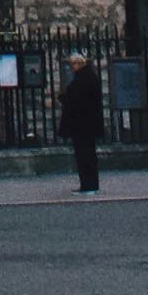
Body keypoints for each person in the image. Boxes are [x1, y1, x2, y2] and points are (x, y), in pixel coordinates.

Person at [58, 52, 105, 197]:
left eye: (72, 64)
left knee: (85, 156)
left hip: (82, 124)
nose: (71, 67)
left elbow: (77, 100)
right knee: (87, 155)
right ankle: (89, 184)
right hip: (86, 124)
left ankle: (88, 185)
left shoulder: (84, 79)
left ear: (78, 64)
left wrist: (63, 98)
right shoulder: (89, 77)